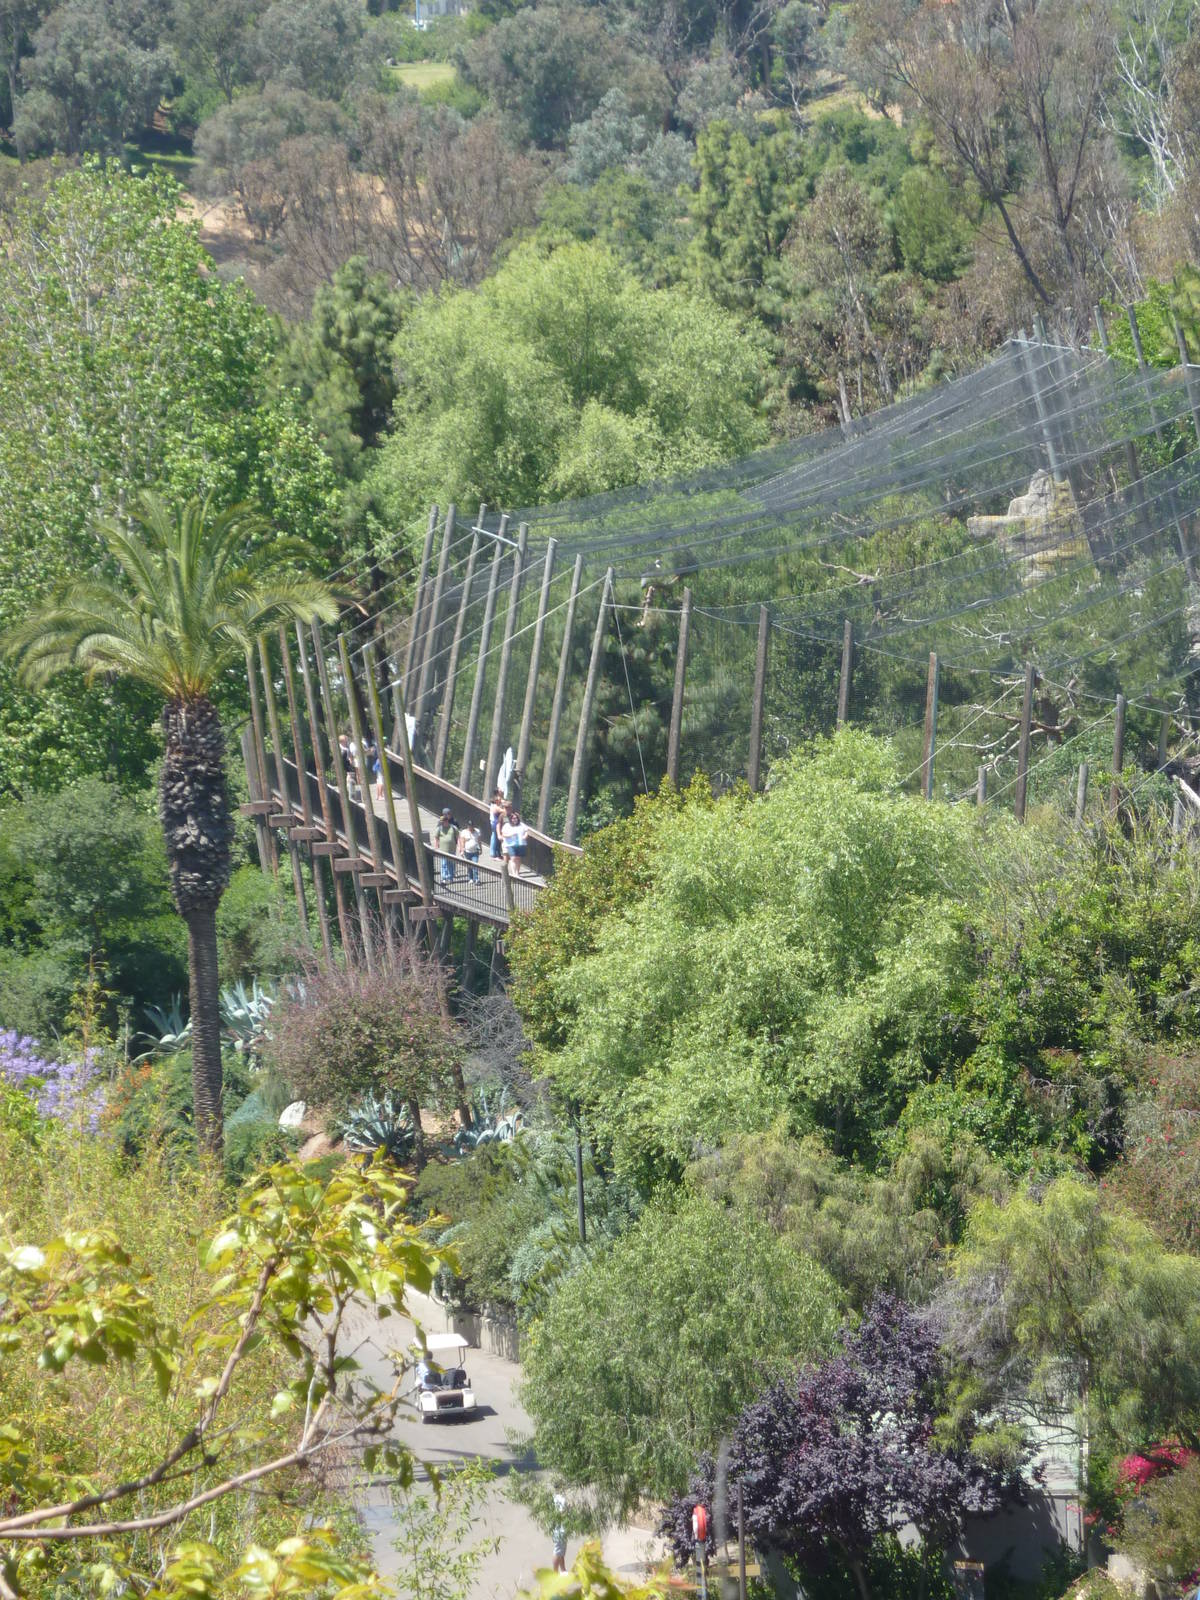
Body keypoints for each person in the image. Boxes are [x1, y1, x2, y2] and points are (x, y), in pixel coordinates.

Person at [435, 808, 459, 883]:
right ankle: (444, 878)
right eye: (446, 814)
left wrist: (459, 846)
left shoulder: (454, 822)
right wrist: (437, 845)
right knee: (444, 863)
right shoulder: (440, 824)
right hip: (443, 849)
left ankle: (451, 876)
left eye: (448, 813)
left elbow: (458, 834)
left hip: (452, 847)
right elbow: (436, 835)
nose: (448, 815)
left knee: (451, 863)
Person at [551, 1494, 567, 1573]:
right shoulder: (561, 1499)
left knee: (561, 1551)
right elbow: (561, 1513)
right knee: (558, 1551)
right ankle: (555, 1573)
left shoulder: (554, 1497)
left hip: (557, 1528)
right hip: (561, 1529)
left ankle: (563, 1570)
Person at [488, 791, 505, 859]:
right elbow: (504, 811)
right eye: (498, 800)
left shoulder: (497, 806)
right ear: (496, 801)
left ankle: (496, 853)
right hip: (496, 824)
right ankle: (495, 854)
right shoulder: (495, 807)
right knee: (496, 839)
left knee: (496, 839)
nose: (500, 801)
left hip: (498, 823)